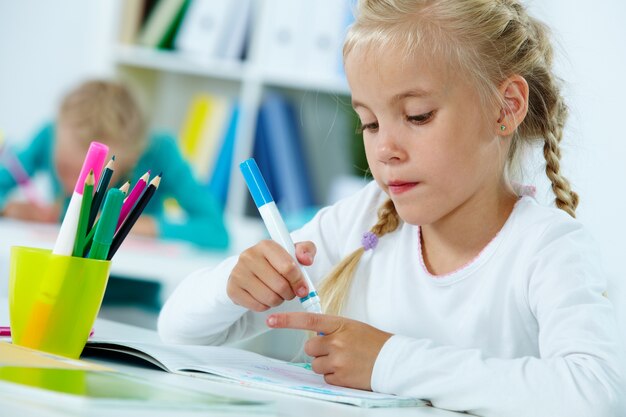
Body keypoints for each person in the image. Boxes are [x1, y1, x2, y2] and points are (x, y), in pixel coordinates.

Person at [157, 0, 625, 415]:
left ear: (505, 108)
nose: (385, 149)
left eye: (417, 116)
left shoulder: (547, 249)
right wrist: (231, 285)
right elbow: (179, 334)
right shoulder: (358, 224)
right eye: (370, 123)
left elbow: (596, 394)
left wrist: (388, 361)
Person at [0, 80, 228, 249]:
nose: (74, 187)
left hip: (130, 298)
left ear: (132, 157)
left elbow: (216, 232)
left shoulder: (159, 152)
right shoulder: (49, 136)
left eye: (91, 175)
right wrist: (8, 209)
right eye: (64, 168)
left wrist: (127, 223)